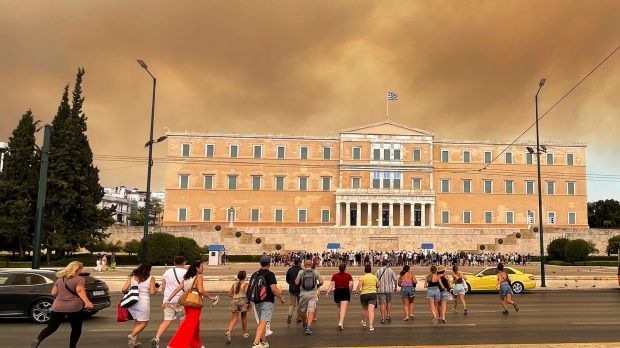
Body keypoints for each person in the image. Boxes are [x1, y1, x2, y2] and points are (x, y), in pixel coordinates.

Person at [31, 261, 94, 348]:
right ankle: (72, 346)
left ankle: (39, 339)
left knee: (51, 327)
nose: (80, 271)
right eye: (80, 269)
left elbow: (53, 293)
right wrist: (87, 302)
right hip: (74, 307)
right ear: (77, 269)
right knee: (76, 328)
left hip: (58, 306)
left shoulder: (60, 279)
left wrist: (63, 295)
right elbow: (80, 290)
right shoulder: (80, 279)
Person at [164, 261, 218, 348]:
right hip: (195, 304)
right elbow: (200, 290)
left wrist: (167, 300)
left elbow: (176, 290)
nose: (203, 268)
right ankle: (174, 345)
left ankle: (196, 343)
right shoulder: (199, 277)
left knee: (195, 324)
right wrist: (211, 297)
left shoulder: (187, 278)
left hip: (187, 303)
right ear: (197, 268)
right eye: (201, 266)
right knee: (189, 324)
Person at [250, 256, 286, 348]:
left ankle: (264, 341)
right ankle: (256, 342)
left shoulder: (254, 274)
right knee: (264, 321)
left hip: (257, 301)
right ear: (269, 264)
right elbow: (273, 288)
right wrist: (281, 297)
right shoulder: (270, 274)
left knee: (261, 322)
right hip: (267, 300)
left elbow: (250, 289)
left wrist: (248, 302)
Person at [151, 256, 187, 348]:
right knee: (182, 319)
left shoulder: (167, 272)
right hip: (180, 299)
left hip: (168, 299)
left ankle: (157, 337)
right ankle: (179, 339)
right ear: (184, 262)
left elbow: (163, 286)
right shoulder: (185, 272)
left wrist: (165, 298)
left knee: (167, 320)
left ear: (174, 262)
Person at [122, 263, 159, 348]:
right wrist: (157, 289)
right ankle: (132, 335)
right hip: (143, 302)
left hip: (132, 302)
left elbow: (124, 289)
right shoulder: (151, 278)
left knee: (137, 322)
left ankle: (134, 342)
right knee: (144, 323)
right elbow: (152, 292)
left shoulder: (132, 277)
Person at [295, 259, 324, 335]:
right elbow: (321, 282)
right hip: (312, 293)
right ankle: (308, 326)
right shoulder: (315, 272)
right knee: (311, 310)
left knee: (303, 310)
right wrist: (317, 286)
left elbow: (297, 282)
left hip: (303, 293)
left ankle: (304, 323)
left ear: (304, 265)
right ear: (311, 265)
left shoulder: (301, 272)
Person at [325, 263, 353, 330]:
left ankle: (340, 320)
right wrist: (350, 290)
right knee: (343, 308)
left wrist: (328, 292)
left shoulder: (335, 276)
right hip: (345, 291)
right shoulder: (348, 275)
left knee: (339, 307)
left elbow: (332, 284)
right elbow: (351, 284)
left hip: (337, 291)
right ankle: (341, 322)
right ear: (345, 269)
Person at [225, 271, 250, 342]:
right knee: (244, 317)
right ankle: (245, 333)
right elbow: (246, 291)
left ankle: (229, 331)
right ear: (245, 276)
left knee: (234, 318)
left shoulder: (235, 284)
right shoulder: (245, 284)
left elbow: (229, 294)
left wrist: (235, 296)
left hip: (234, 301)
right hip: (243, 301)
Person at [354, 264, 380, 331]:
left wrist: (356, 292)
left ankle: (364, 321)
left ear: (364, 270)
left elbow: (359, 285)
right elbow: (378, 285)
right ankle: (371, 325)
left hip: (364, 294)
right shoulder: (374, 277)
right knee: (371, 310)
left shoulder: (362, 277)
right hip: (373, 294)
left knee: (364, 309)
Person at [375, 259, 398, 324]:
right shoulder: (391, 270)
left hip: (380, 289)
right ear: (387, 263)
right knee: (389, 302)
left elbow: (375, 280)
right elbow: (395, 279)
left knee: (382, 303)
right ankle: (388, 315)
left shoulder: (378, 270)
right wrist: (395, 287)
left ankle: (383, 318)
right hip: (389, 289)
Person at [285, 257, 303, 324]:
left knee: (292, 303)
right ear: (299, 263)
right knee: (300, 304)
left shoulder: (290, 270)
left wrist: (291, 284)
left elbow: (287, 279)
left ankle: (290, 314)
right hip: (300, 289)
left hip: (292, 288)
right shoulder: (301, 270)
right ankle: (298, 317)